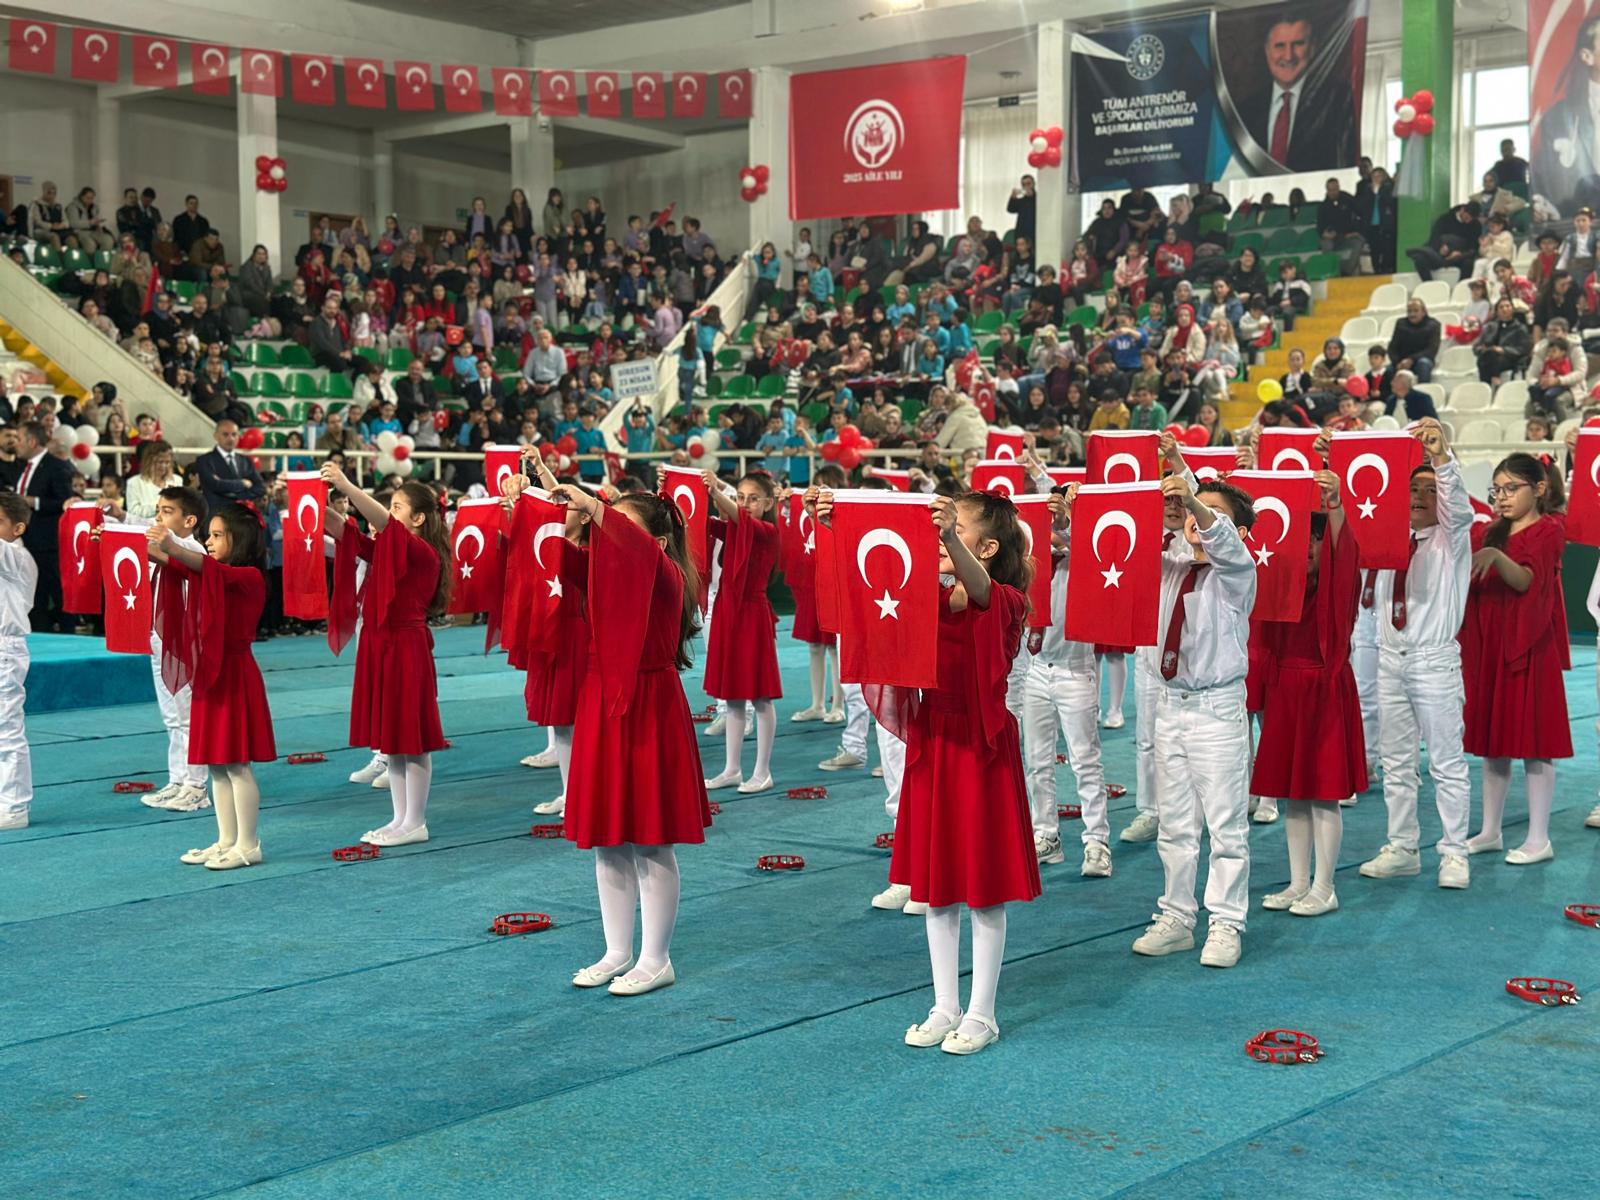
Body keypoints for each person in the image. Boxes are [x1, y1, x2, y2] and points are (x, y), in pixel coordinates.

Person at [836, 489, 1037, 1056]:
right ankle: (945, 1003)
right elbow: (871, 581)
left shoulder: (1006, 599)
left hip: (981, 746)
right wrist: (834, 528)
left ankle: (983, 1012)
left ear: (987, 547)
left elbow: (980, 592)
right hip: (934, 743)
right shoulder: (926, 597)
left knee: (984, 889)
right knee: (936, 885)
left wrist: (947, 535)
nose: (941, 540)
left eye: (957, 531)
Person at [553, 484, 711, 997]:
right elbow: (552, 548)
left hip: (650, 705)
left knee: (651, 839)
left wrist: (596, 507)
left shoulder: (666, 574)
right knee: (607, 837)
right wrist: (540, 504)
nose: (608, 536)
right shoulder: (601, 571)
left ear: (657, 544)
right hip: (600, 701)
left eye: (621, 527)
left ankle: (656, 958)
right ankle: (616, 950)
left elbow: (630, 544)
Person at [1123, 464, 1257, 968]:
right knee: (1175, 825)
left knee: (1226, 827)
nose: (1198, 522)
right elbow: (1111, 545)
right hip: (1169, 705)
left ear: (1238, 532)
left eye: (1213, 515)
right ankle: (1177, 916)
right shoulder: (1168, 564)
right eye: (1194, 514)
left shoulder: (1238, 573)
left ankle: (1226, 922)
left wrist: (1196, 501)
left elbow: (1225, 545)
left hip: (1217, 710)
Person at [1360, 419, 1474, 888]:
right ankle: (1403, 846)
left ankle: (1455, 852)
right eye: (1414, 488)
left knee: (1446, 761)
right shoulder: (1387, 537)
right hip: (1391, 659)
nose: (1421, 496)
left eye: (1431, 489)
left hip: (1433, 659)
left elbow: (1459, 506)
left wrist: (1441, 459)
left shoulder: (1452, 537)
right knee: (1396, 760)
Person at [1250, 468, 1363, 915]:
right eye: (1304, 540)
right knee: (1292, 793)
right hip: (1285, 690)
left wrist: (1335, 504)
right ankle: (1299, 882)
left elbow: (1346, 552)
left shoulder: (1337, 588)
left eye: (1318, 540)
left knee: (1323, 793)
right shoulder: (1279, 584)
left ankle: (1325, 886)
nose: (1310, 547)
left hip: (1323, 688)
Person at [323, 465, 450, 847]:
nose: (390, 514)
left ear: (419, 518)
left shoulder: (423, 552)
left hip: (406, 647)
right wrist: (308, 500)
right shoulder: (390, 549)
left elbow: (383, 524)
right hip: (381, 645)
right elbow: (341, 530)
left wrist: (347, 485)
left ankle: (416, 820)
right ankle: (399, 818)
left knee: (413, 737)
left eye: (397, 507)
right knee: (392, 738)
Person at [147, 502, 275, 869]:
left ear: (241, 539)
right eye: (210, 535)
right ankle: (226, 839)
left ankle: (248, 844)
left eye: (218, 535)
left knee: (237, 765)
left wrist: (171, 545)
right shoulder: (214, 574)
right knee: (217, 765)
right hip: (211, 673)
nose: (209, 541)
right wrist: (118, 541)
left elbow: (194, 563)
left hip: (235, 673)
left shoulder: (248, 576)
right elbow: (170, 562)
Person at [1461, 453, 1571, 865]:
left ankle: (1539, 838)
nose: (1503, 498)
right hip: (1493, 648)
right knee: (1494, 743)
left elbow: (1527, 581)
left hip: (1530, 649)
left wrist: (1496, 557)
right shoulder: (1490, 530)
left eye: (1511, 489)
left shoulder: (1550, 529)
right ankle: (1490, 830)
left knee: (1536, 744)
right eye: (1497, 490)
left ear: (1539, 489)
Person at [1025, 482, 1110, 876]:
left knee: (1085, 761)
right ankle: (1046, 835)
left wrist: (1066, 523)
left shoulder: (1085, 559)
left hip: (1075, 670)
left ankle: (1097, 842)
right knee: (1036, 762)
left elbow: (1087, 548)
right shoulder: (1029, 560)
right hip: (1035, 669)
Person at [699, 471, 783, 795]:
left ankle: (763, 771)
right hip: (727, 612)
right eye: (742, 497)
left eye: (753, 499)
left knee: (761, 697)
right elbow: (698, 521)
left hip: (751, 615)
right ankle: (732, 769)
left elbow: (736, 515)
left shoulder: (767, 531)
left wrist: (715, 491)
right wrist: (677, 488)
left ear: (769, 503)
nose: (746, 504)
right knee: (732, 696)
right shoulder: (735, 525)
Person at [140, 486, 211, 813]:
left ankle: (196, 785)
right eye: (158, 510)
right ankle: (178, 778)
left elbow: (175, 557)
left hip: (185, 641)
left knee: (188, 716)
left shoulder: (192, 550)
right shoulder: (161, 546)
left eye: (167, 512)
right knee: (172, 717)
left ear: (189, 520)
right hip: (160, 638)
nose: (158, 517)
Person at [1238, 17, 1356, 170]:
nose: (1288, 56)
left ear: (1312, 48)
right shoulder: (1246, 110)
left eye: (1298, 44)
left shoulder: (1338, 99)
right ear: (1267, 51)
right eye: (1280, 46)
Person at [13, 421, 75, 632]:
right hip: (26, 540)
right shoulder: (21, 466)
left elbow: (66, 502)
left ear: (31, 441)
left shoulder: (56, 467)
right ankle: (38, 633)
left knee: (57, 591)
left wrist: (35, 502)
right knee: (34, 592)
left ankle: (69, 635)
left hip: (49, 543)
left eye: (19, 439)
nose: (16, 443)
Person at [0, 493, 36, 831]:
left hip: (5, 649)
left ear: (18, 528)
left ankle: (14, 807)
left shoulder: (16, 557)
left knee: (7, 728)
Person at [195, 421, 266, 517]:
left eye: (234, 434)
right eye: (225, 434)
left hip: (241, 515)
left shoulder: (245, 460)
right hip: (216, 516)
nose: (231, 438)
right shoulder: (204, 460)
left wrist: (238, 496)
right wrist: (242, 483)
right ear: (216, 436)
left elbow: (260, 487)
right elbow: (215, 485)